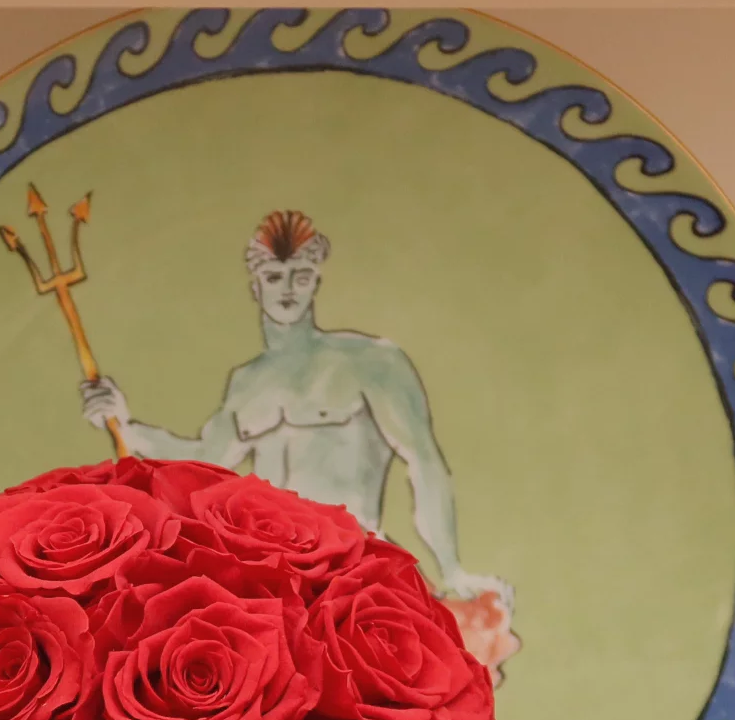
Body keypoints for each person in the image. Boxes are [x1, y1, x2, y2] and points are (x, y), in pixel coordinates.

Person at [79, 209, 515, 666]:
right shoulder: (247, 383)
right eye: (275, 275)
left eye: (301, 275)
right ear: (256, 285)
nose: (287, 288)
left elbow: (424, 463)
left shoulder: (371, 363)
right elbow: (205, 461)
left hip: (355, 566)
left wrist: (450, 567)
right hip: (271, 580)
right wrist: (126, 424)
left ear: (315, 283)